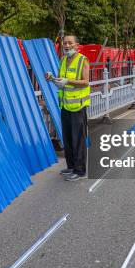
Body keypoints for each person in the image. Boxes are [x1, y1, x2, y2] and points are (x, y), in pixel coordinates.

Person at [45, 35, 90, 181]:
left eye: (70, 43)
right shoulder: (63, 60)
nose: (67, 45)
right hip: (65, 105)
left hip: (78, 106)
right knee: (68, 138)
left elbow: (85, 82)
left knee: (78, 140)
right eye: (65, 43)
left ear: (77, 45)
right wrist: (52, 79)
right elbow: (61, 80)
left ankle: (80, 171)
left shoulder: (83, 60)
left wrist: (68, 81)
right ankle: (71, 166)